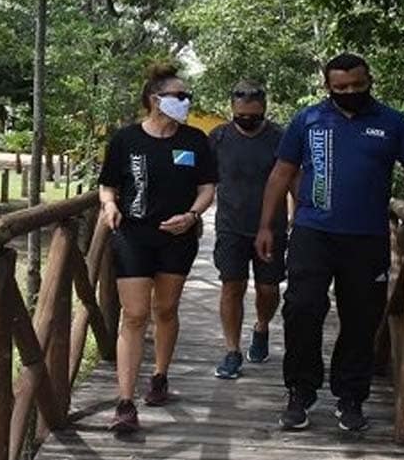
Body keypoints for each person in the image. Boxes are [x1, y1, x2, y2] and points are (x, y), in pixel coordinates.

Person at [256, 53, 404, 432]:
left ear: (369, 80)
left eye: (357, 85)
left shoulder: (393, 122)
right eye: (341, 88)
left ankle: (350, 397)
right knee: (302, 308)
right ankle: (300, 390)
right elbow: (281, 172)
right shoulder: (308, 120)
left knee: (361, 317)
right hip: (312, 231)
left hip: (367, 237)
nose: (350, 92)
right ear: (328, 87)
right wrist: (266, 226)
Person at [99, 63, 218, 433]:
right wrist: (109, 205)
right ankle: (124, 401)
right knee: (134, 315)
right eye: (179, 96)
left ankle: (160, 375)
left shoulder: (195, 140)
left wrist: (192, 216)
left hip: (177, 237)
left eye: (187, 96)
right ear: (155, 99)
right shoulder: (125, 139)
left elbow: (207, 187)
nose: (185, 102)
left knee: (165, 309)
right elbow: (108, 185)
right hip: (134, 234)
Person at [209, 82, 287, 379]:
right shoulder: (218, 137)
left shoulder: (280, 137)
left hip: (272, 227)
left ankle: (262, 326)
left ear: (264, 110)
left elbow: (292, 179)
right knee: (232, 286)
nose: (248, 121)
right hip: (230, 226)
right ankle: (232, 351)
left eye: (254, 116)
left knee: (268, 289)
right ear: (232, 110)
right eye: (241, 116)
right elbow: (204, 180)